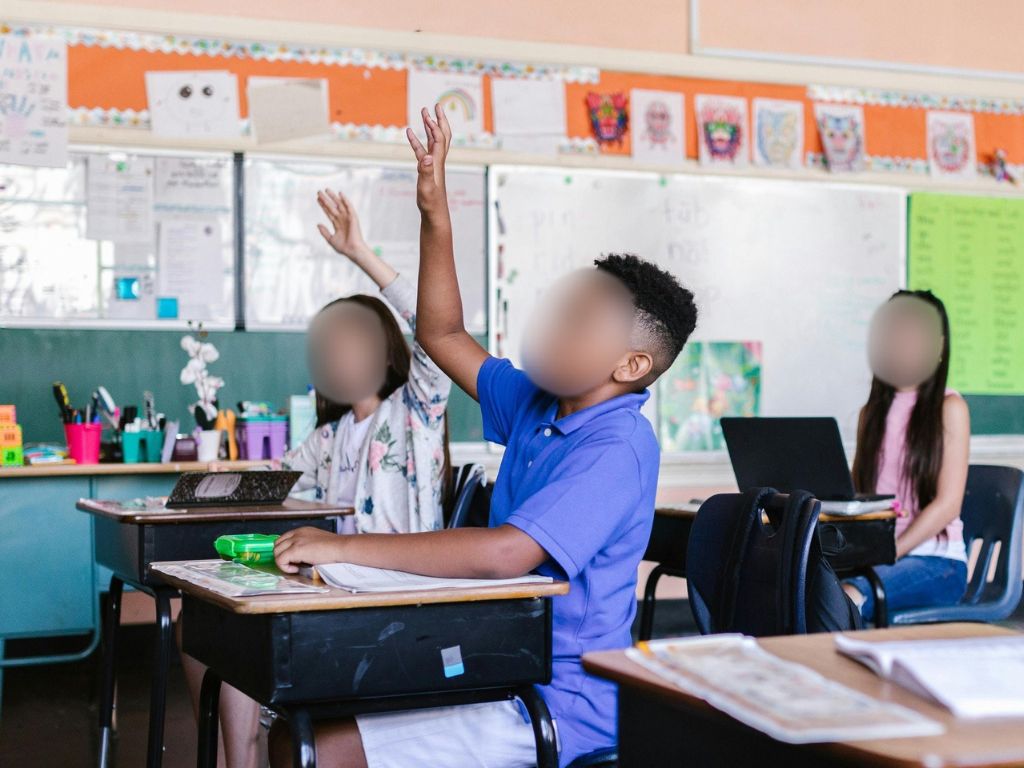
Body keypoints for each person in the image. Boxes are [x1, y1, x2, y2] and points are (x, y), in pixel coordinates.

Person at [268, 104, 698, 768]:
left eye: (579, 324)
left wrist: (341, 544)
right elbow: (441, 334)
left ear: (631, 364)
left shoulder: (617, 447)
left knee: (314, 750)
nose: (552, 330)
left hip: (556, 699)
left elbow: (505, 554)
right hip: (496, 655)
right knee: (300, 714)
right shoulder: (536, 401)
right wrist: (435, 211)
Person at [179, 188, 452, 768]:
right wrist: (207, 483)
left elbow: (435, 329)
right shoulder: (330, 438)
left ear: (387, 354)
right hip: (335, 586)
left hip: (393, 595)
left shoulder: (414, 414)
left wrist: (360, 253)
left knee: (239, 629)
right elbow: (271, 478)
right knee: (201, 619)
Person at [844, 289, 970, 622]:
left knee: (847, 596)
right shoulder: (870, 415)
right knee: (799, 587)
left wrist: (890, 553)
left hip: (937, 562)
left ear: (938, 346)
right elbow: (859, 496)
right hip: (877, 558)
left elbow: (947, 505)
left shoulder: (950, 408)